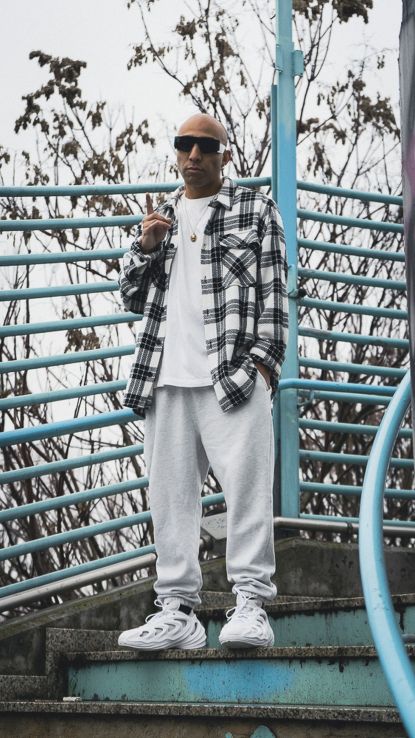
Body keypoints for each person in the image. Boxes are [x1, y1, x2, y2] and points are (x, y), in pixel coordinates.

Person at [117, 112, 288, 651]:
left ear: (223, 155)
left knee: (247, 491)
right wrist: (145, 248)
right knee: (169, 499)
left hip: (232, 377)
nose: (194, 155)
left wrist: (263, 367)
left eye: (205, 146)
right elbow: (130, 296)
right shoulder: (161, 216)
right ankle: (178, 613)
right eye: (184, 144)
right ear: (176, 152)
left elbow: (276, 294)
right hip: (165, 378)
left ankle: (252, 606)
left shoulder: (255, 209)